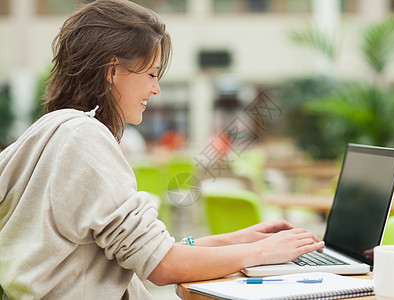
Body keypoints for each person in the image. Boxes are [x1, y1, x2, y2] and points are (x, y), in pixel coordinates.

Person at [0, 0, 324, 298]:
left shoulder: (50, 131)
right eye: (152, 74)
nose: (155, 89)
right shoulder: (84, 138)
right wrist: (264, 253)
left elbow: (145, 252)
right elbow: (162, 267)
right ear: (112, 70)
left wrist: (235, 240)